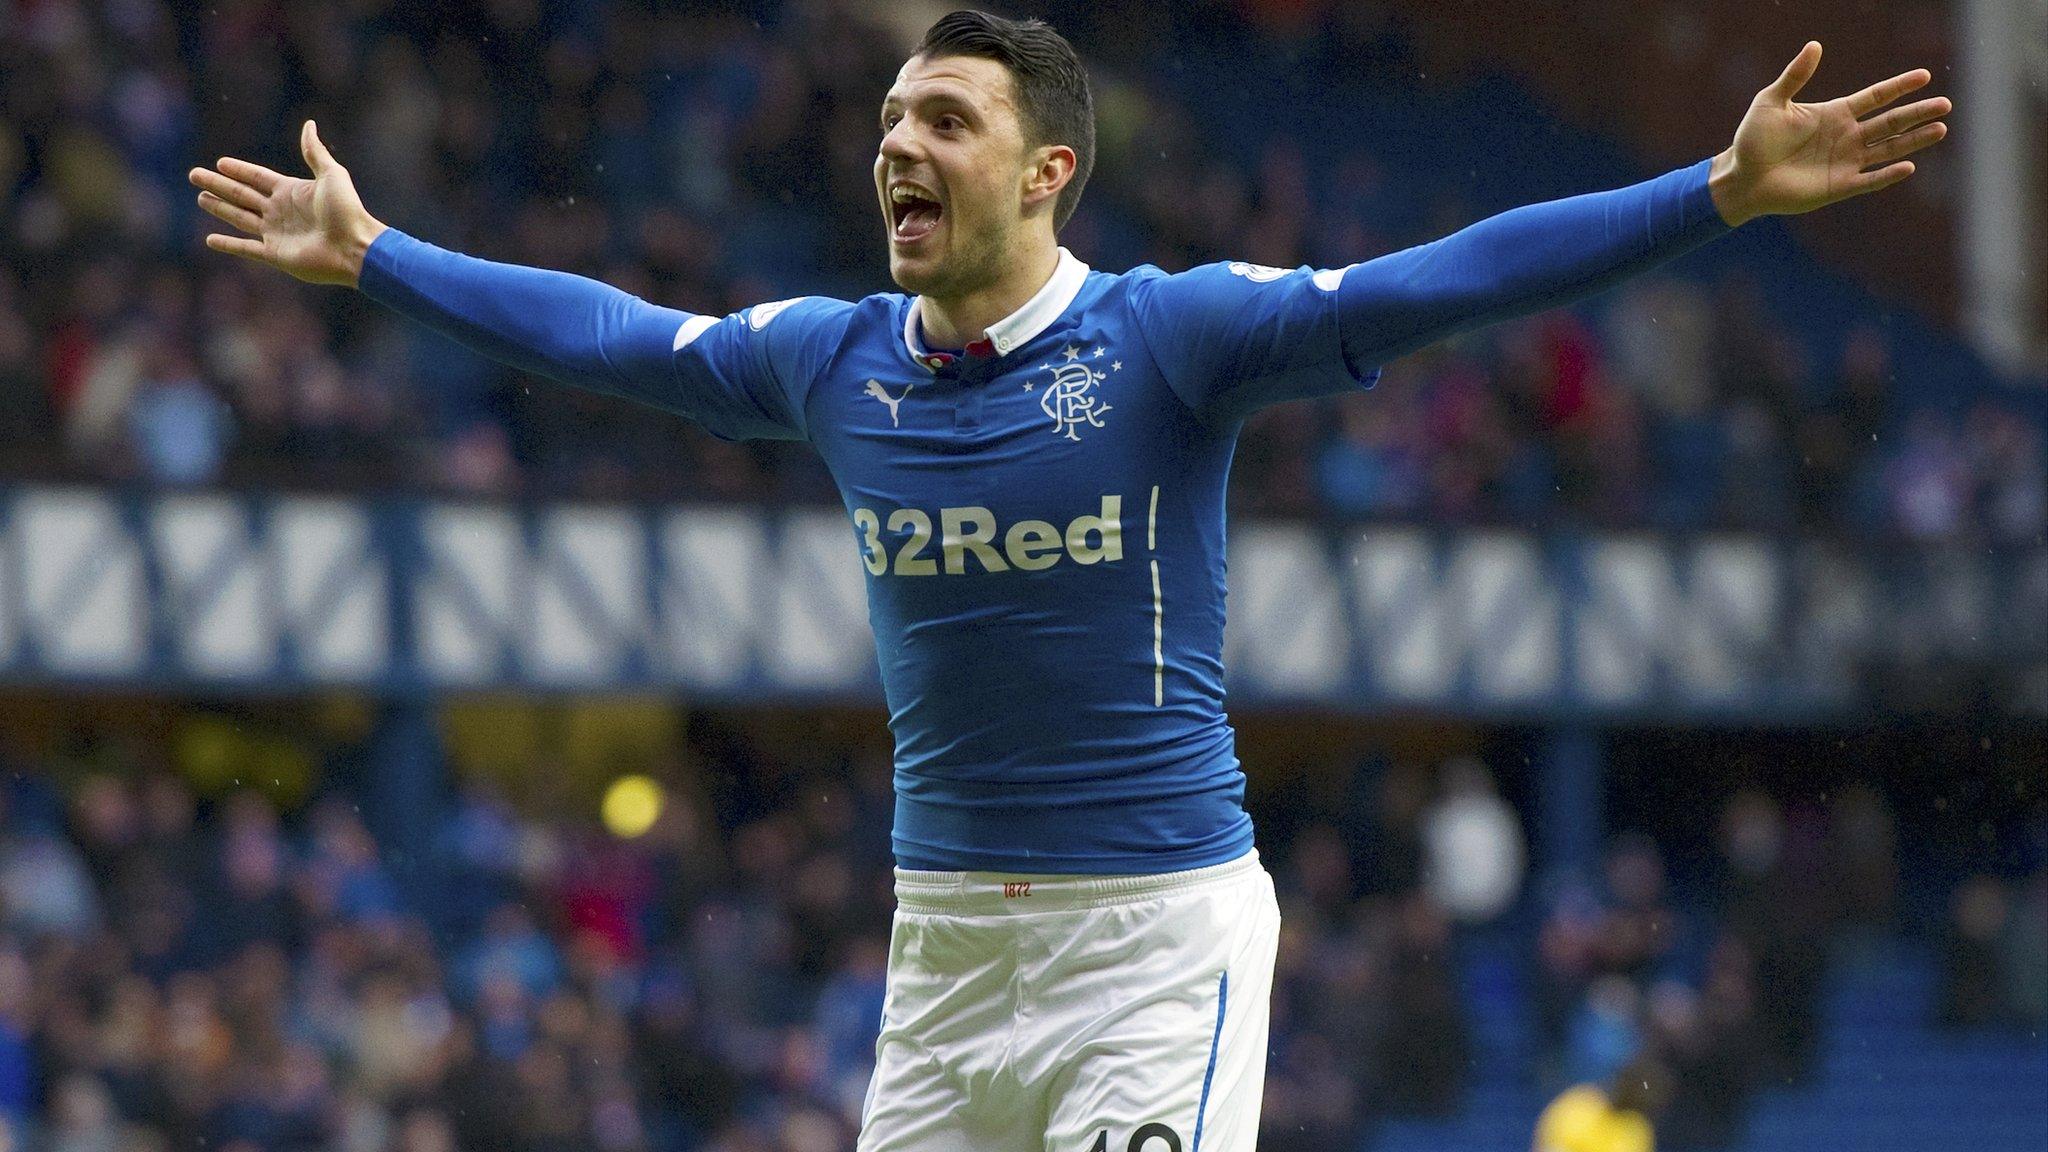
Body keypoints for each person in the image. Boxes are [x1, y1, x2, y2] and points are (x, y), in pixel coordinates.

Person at [188, 11, 1947, 1150]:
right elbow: (611, 335)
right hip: (944, 957)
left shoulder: (1169, 335)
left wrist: (1711, 191)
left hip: (1151, 947)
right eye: (889, 114)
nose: (896, 142)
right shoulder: (830, 356)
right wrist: (380, 255)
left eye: (943, 119)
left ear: (1047, 173)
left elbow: (1437, 283)